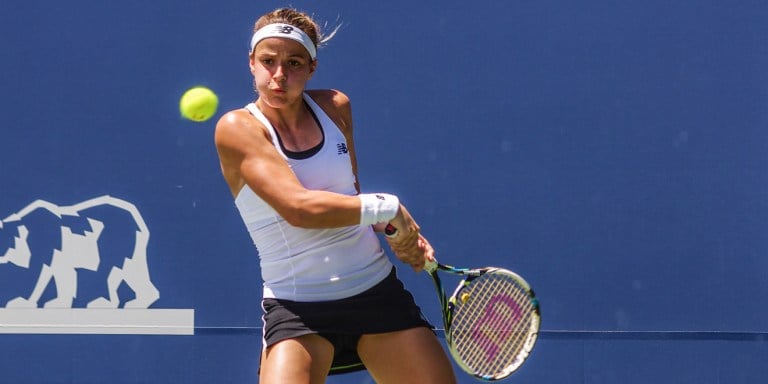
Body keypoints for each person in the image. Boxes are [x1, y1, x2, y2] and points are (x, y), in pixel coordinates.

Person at [214, 7, 457, 384]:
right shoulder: (236, 128)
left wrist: (397, 233)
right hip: (297, 309)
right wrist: (390, 208)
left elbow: (350, 200)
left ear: (311, 68)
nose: (280, 75)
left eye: (294, 63)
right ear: (251, 63)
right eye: (268, 61)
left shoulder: (334, 107)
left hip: (374, 292)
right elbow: (300, 208)